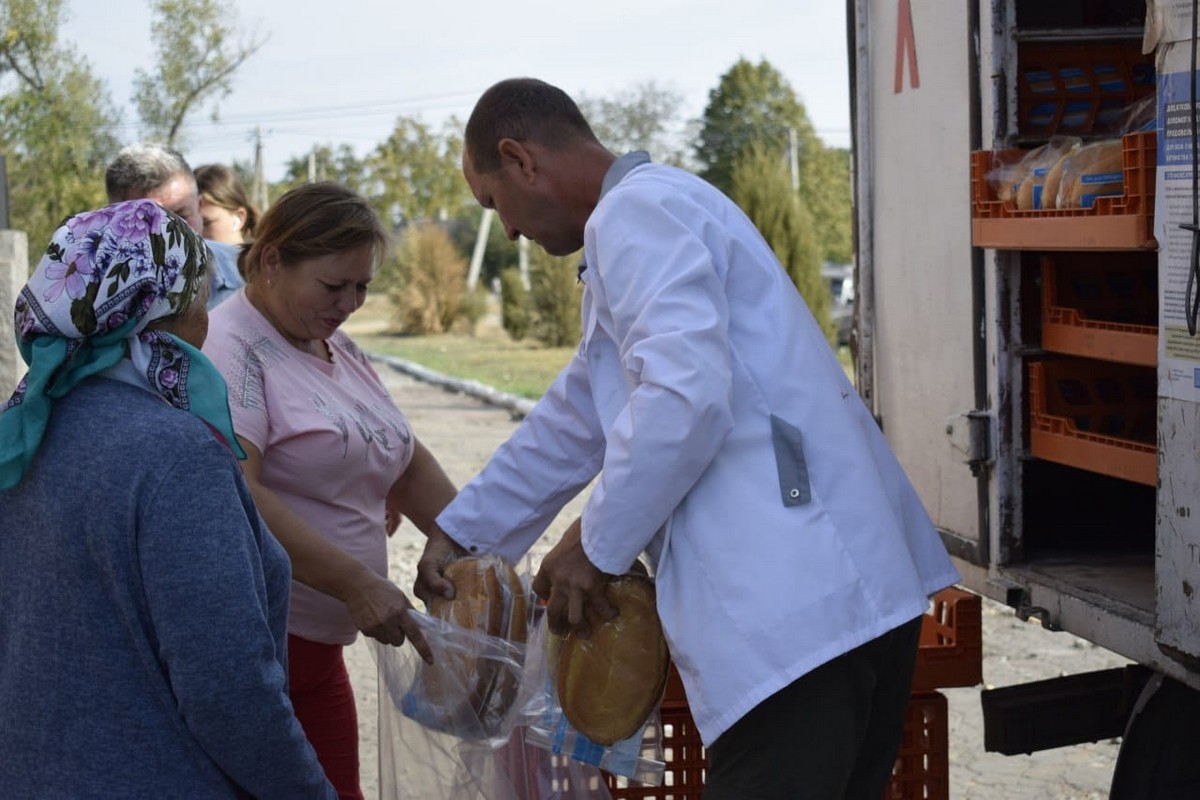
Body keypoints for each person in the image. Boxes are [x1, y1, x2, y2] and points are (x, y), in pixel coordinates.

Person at [415, 78, 960, 799]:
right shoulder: (652, 212)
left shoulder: (637, 215)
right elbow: (581, 409)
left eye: (493, 203)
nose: (507, 230)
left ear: (519, 160)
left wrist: (595, 545)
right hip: (828, 601)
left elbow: (684, 397)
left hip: (796, 611)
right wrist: (466, 534)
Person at [0, 199, 336, 798]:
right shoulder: (176, 455)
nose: (208, 323)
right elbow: (228, 690)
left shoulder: (20, 432)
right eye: (200, 301)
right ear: (162, 313)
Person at [202, 182, 456, 800]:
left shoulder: (329, 338)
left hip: (319, 653)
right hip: (268, 646)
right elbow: (235, 489)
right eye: (334, 285)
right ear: (271, 261)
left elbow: (403, 454)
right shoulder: (231, 348)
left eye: (362, 287)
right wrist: (355, 583)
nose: (350, 303)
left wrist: (462, 540)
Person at [106, 142, 244, 309]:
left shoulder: (247, 271)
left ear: (199, 207)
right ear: (117, 224)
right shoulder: (90, 295)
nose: (172, 234)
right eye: (148, 223)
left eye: (182, 216)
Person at [195, 162, 260, 284]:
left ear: (239, 218)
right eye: (188, 225)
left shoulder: (266, 276)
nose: (196, 233)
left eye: (206, 223)